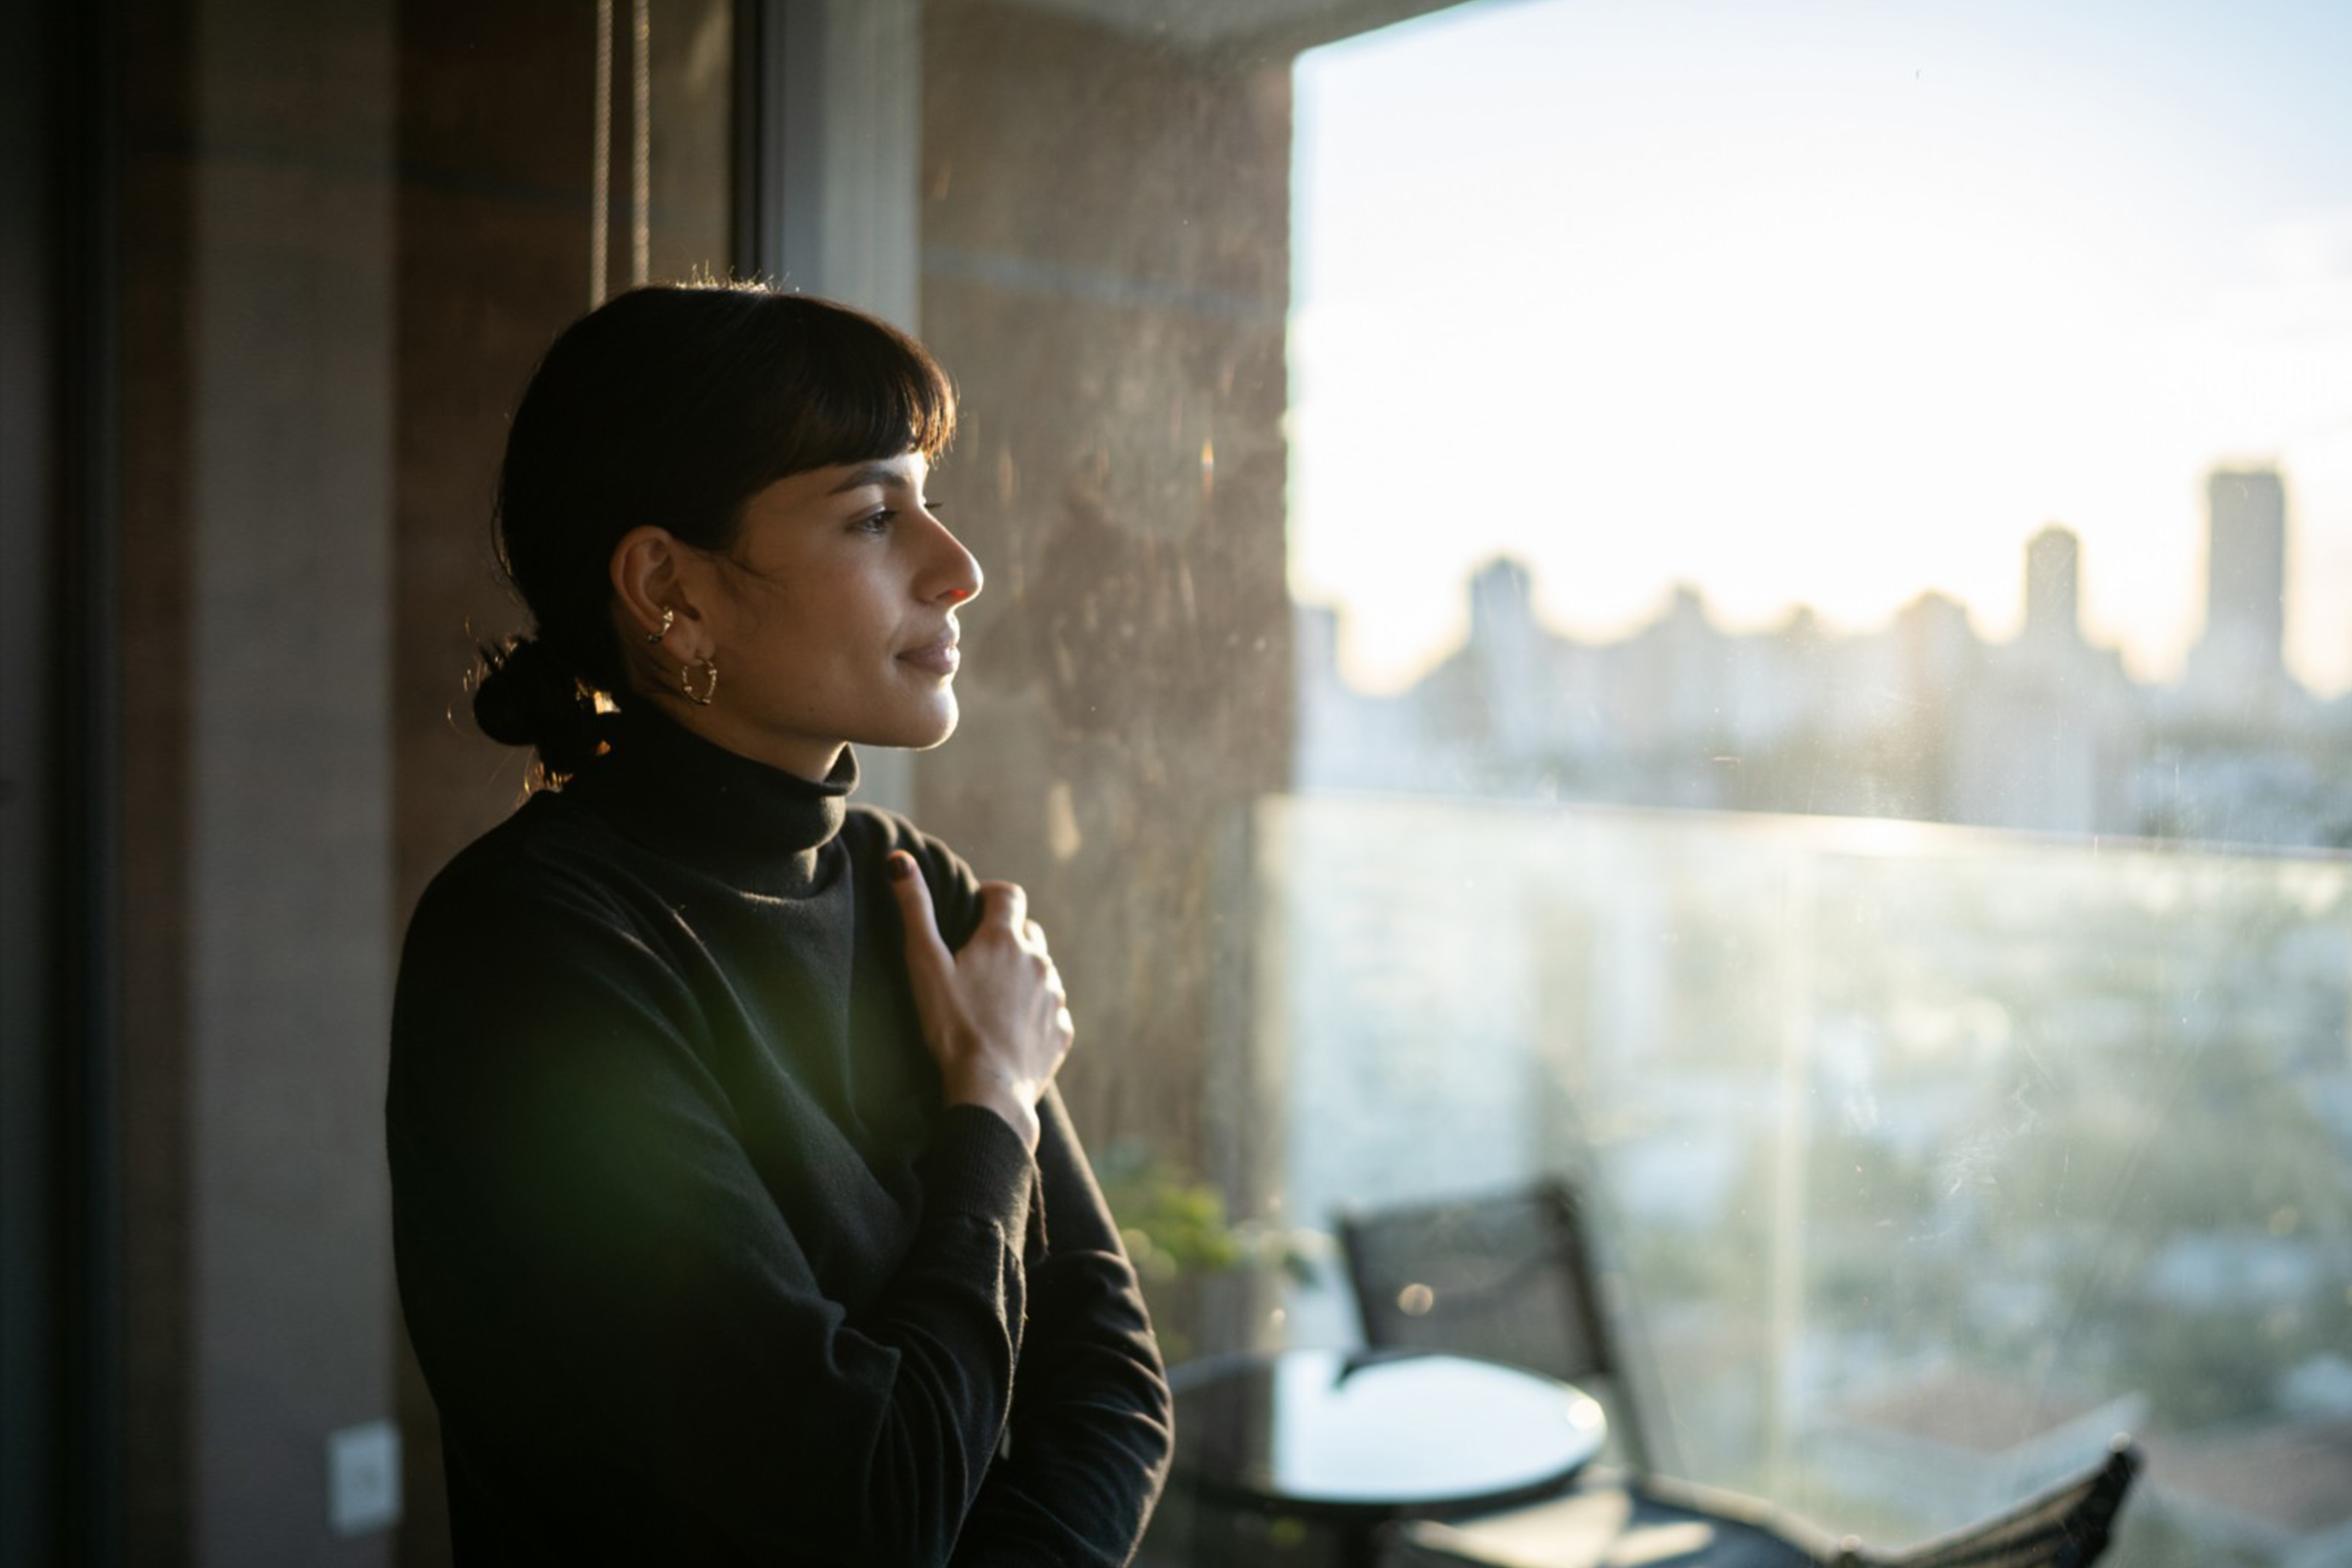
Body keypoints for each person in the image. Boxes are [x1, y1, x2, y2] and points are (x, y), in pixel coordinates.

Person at [385, 283, 1172, 1564]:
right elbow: (864, 1512)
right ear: (670, 589)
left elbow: (1111, 1391)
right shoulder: (533, 951)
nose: (959, 563)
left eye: (927, 494)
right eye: (875, 513)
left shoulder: (923, 886)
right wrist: (992, 1103)